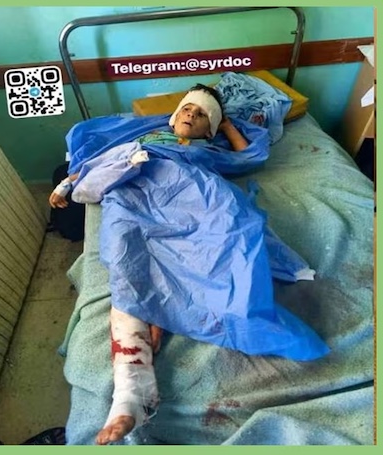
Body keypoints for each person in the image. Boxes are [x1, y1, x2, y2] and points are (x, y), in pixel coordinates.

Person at [49, 84, 249, 445]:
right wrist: (67, 183)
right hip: (132, 194)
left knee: (201, 249)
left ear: (210, 129)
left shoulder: (209, 148)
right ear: (174, 116)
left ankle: (155, 319)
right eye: (186, 109)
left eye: (201, 115)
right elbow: (107, 159)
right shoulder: (150, 137)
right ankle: (132, 391)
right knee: (125, 258)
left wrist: (227, 127)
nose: (191, 115)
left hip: (184, 197)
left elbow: (248, 157)